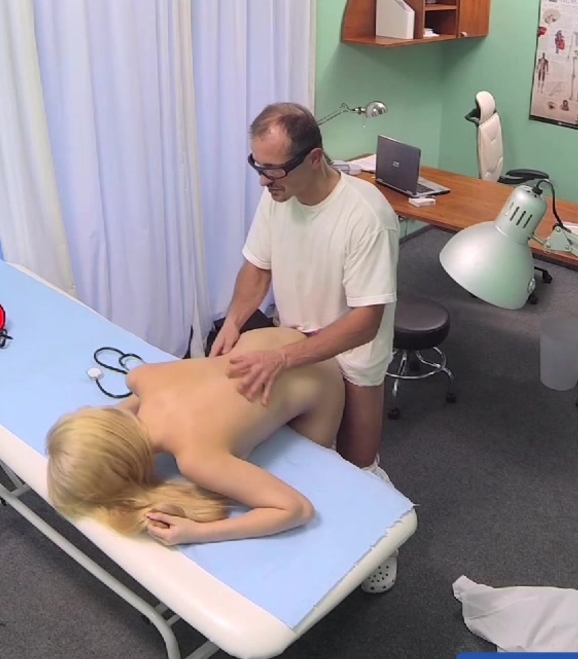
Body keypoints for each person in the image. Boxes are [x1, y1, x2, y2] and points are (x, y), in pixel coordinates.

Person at [211, 102, 401, 594]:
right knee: (304, 456)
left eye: (273, 169)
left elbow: (365, 321)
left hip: (352, 353)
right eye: (257, 166)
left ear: (314, 158)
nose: (263, 180)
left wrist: (281, 357)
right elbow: (257, 268)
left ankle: (382, 539)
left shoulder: (365, 216)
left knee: (357, 464)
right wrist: (233, 321)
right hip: (295, 338)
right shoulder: (278, 195)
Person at [46, 327, 344, 546]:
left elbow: (296, 509)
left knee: (316, 459)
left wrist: (198, 533)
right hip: (273, 339)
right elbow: (124, 414)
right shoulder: (141, 377)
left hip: (321, 373)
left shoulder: (196, 458)